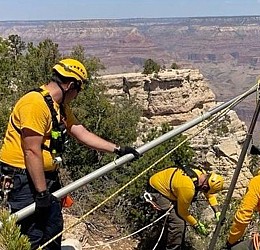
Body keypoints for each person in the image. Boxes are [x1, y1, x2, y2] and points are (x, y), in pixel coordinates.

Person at [0, 58, 140, 250]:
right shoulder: (34, 104)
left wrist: (117, 149)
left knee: (53, 229)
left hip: (45, 177)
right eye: (78, 90)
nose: (77, 95)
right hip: (23, 177)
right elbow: (31, 151)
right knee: (31, 234)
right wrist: (41, 193)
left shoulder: (58, 106)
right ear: (71, 85)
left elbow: (80, 132)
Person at [147, 165, 224, 250]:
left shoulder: (201, 174)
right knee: (178, 222)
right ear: (205, 187)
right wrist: (196, 225)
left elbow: (209, 195)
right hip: (157, 191)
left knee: (180, 219)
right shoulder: (188, 188)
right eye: (205, 190)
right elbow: (182, 212)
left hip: (164, 184)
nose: (204, 192)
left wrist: (217, 211)